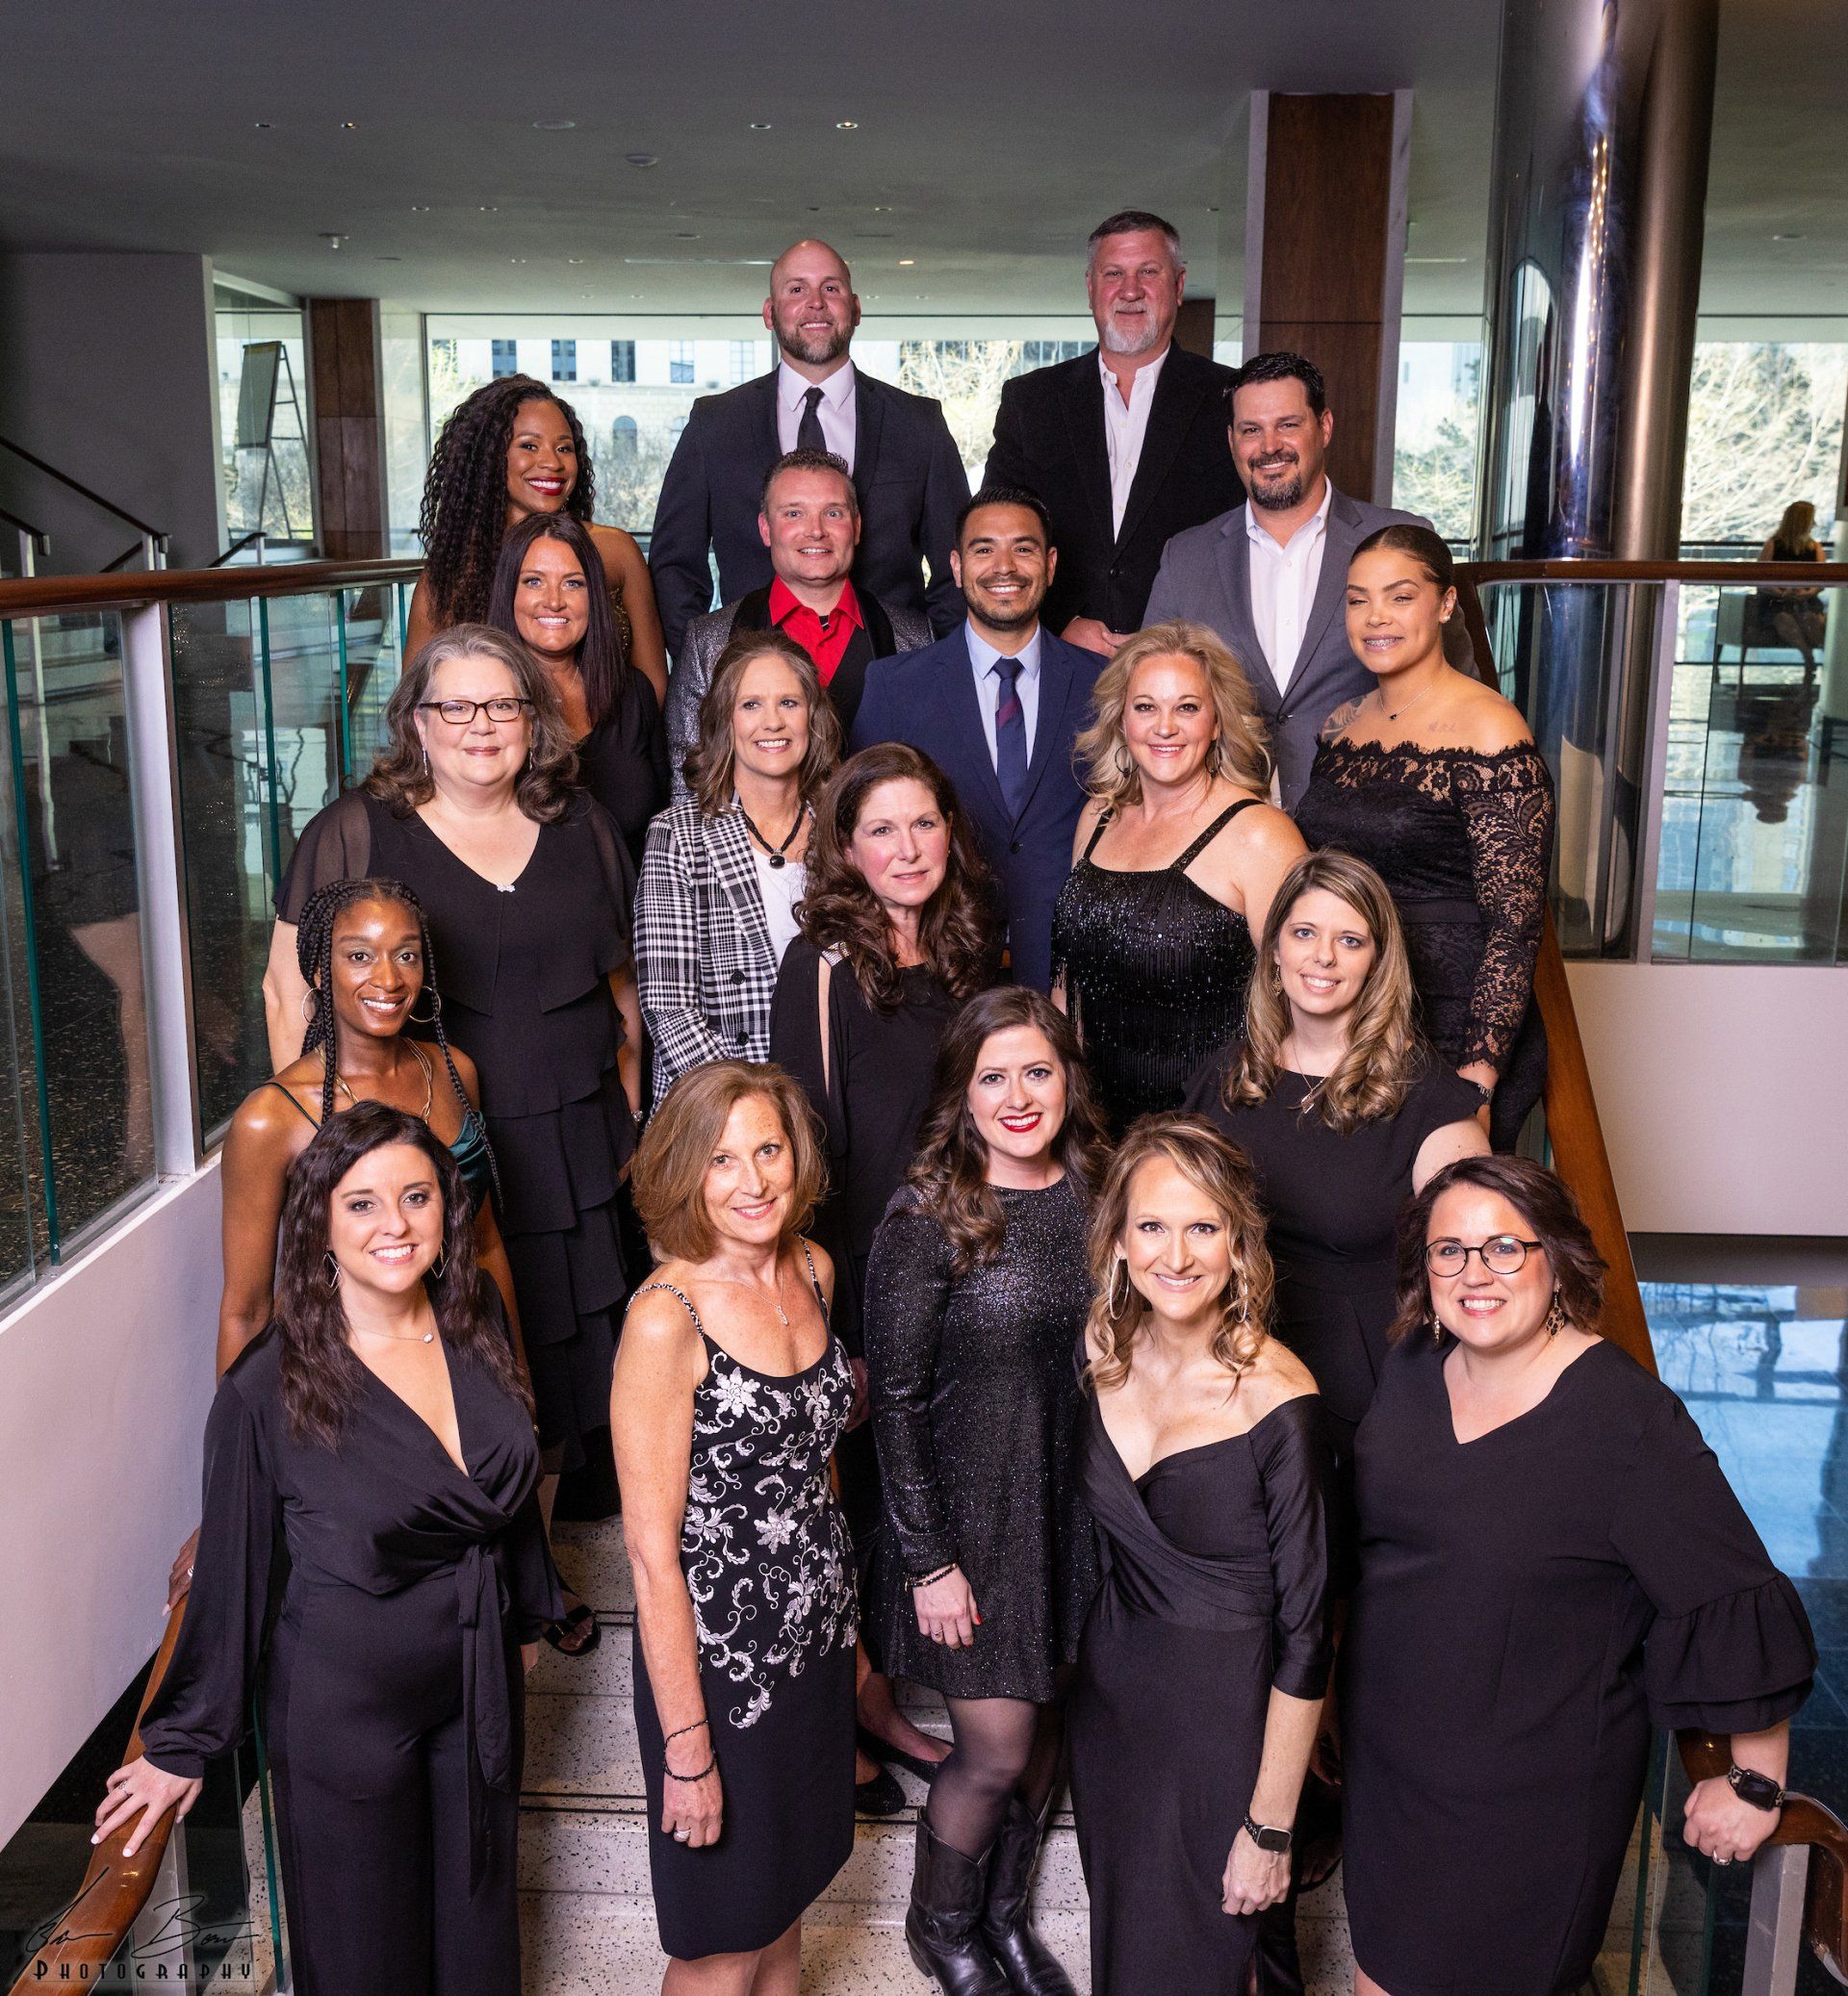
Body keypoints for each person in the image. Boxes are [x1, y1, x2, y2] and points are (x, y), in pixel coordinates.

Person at [102, 1105, 561, 1996]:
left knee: (476, 1944)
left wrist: (529, 1608)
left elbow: (500, 1499)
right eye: (363, 1205)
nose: (395, 1224)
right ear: (317, 1223)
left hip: (475, 1686)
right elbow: (230, 1575)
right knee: (363, 1962)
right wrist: (182, 1741)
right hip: (345, 1709)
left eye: (417, 1197)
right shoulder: (267, 1388)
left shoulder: (478, 1316)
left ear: (446, 1210)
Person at [1342, 1155, 1816, 1996]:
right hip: (1393, 1777)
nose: (1473, 1273)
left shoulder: (1625, 1419)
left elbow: (1728, 1585)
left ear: (1555, 1256)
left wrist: (1754, 1778)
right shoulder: (1415, 1365)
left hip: (1529, 1801)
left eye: (1504, 1249)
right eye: (1449, 1250)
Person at [264, 626, 643, 1576]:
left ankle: (532, 1573)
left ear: (534, 719)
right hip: (432, 1153)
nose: (482, 725)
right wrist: (334, 1148)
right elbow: (289, 993)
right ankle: (443, 1588)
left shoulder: (583, 827)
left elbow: (622, 994)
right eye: (455, 706)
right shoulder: (354, 829)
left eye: (504, 704)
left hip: (571, 1148)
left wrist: (631, 1126)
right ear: (416, 724)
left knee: (553, 1373)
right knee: (440, 1368)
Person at [769, 741, 1001, 1799]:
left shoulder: (969, 950)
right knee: (854, 1496)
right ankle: (855, 1701)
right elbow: (806, 1156)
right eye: (881, 830)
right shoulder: (820, 965)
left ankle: (906, 1684)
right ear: (847, 850)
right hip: (865, 1268)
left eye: (924, 823)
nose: (908, 848)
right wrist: (833, 1325)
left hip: (965, 1258)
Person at [864, 986, 1105, 1996]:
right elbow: (898, 1400)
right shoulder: (929, 1214)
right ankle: (942, 1924)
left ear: (1068, 1081)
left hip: (1072, 1509)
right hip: (969, 1524)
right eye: (993, 1076)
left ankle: (1006, 1918)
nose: (1018, 1096)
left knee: (1048, 1731)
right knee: (995, 1750)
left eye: (1037, 1071)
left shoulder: (1098, 1188)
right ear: (962, 1094)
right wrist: (929, 1560)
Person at [1068, 1115, 1331, 1996]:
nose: (1175, 1255)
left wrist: (1270, 1825)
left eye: (1203, 1227)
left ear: (1238, 1243)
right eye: (1151, 1226)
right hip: (1112, 1718)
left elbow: (1307, 1633)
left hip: (1226, 1729)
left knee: (1212, 1963)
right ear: (1117, 1241)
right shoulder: (1100, 1352)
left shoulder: (1281, 1397)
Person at [613, 1062, 858, 1990]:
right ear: (683, 1173)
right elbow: (648, 1556)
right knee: (722, 1939)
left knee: (787, 1905)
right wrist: (687, 1751)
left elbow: (817, 1461)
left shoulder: (813, 1268)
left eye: (769, 1150)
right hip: (719, 1674)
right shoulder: (664, 1319)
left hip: (815, 1645)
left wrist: (850, 1636)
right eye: (722, 1160)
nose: (753, 1180)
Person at [1183, 848, 1487, 1467]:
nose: (1323, 957)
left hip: (1365, 1401)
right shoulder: (1222, 1079)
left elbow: (1480, 1276)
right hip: (1225, 1376)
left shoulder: (1428, 1100)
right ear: (1274, 950)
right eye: (1304, 933)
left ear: (1378, 962)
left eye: (1350, 940)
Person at [1295, 525, 1553, 1151]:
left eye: (1399, 596)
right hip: (1352, 1014)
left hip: (1450, 1026)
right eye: (1358, 599)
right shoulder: (1341, 726)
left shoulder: (1490, 729)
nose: (1375, 617)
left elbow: (1515, 929)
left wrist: (1477, 1082)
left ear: (1444, 605)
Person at [649, 241, 969, 658]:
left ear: (854, 309)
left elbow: (958, 566)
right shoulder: (715, 424)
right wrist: (712, 667)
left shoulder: (917, 425)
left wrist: (934, 665)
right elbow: (675, 565)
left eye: (830, 289)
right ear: (769, 313)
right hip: (751, 688)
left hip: (891, 679)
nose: (815, 304)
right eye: (796, 290)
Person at [1143, 351, 1428, 808]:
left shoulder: (1398, 540)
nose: (1269, 445)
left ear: (1325, 427)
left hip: (1368, 829)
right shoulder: (1186, 557)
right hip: (1225, 834)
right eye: (1251, 430)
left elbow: (1452, 689)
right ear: (1232, 440)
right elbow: (1147, 693)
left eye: (1288, 425)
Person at [1052, 620, 1304, 1132]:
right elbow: (1067, 985)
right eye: (1146, 707)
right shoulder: (1097, 817)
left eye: (1186, 707)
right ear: (1121, 720)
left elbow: (1302, 1005)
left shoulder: (1261, 835)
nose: (1164, 727)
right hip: (1094, 1129)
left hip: (1212, 1135)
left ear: (1216, 722)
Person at [853, 488, 1103, 992]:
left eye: (1024, 548)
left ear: (1051, 564)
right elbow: (861, 831)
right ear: (956, 565)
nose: (1004, 567)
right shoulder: (893, 687)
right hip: (937, 967)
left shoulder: (1106, 686)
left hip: (1072, 970)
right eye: (984, 549)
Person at [984, 211, 1243, 656]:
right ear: (1090, 289)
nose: (1130, 290)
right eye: (1113, 274)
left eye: (1148, 272)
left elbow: (1246, 539)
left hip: (1191, 668)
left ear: (1178, 287)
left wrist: (1175, 637)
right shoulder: (1033, 401)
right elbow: (997, 529)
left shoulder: (1230, 400)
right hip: (1061, 658)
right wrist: (1060, 620)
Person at [637, 630, 841, 1111]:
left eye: (789, 702)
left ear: (813, 718)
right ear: (725, 721)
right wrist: (759, 1111)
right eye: (751, 705)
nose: (773, 721)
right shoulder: (679, 835)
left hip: (834, 1103)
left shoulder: (843, 831)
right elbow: (670, 1012)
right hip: (719, 1114)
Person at [664, 448, 934, 789]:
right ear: (765, 528)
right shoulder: (708, 640)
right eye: (794, 513)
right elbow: (687, 779)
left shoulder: (915, 636)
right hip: (751, 842)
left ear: (857, 527)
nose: (816, 531)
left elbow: (931, 770)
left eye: (833, 513)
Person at [407, 375, 666, 701]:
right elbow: (417, 705)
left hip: (614, 747)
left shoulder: (615, 551)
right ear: (488, 457)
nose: (552, 463)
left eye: (564, 448)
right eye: (529, 445)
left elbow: (654, 684)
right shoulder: (447, 582)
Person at [486, 508, 668, 864]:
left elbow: (665, 829)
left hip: (631, 912)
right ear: (509, 591)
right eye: (533, 581)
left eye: (573, 583)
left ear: (594, 597)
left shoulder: (633, 695)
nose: (554, 600)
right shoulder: (482, 705)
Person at [1755, 498, 1828, 675]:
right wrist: (1780, 592)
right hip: (1775, 601)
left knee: (1812, 619)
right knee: (1784, 619)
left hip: (1805, 601)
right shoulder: (1773, 545)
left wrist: (1807, 592)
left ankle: (1826, 657)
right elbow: (1759, 578)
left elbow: (1822, 580)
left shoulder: (1815, 548)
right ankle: (1807, 656)